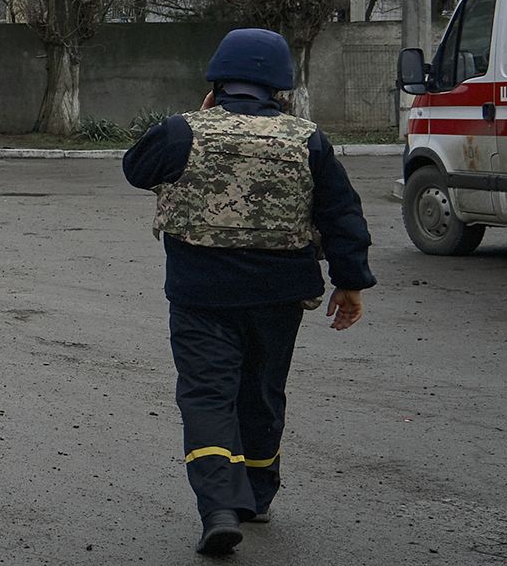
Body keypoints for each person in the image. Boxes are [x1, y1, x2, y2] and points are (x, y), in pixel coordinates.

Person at [121, 27, 374, 557]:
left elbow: (136, 169)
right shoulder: (307, 139)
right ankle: (256, 497)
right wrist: (350, 282)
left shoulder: (182, 131)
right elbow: (341, 214)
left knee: (207, 396)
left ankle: (219, 508)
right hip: (280, 298)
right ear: (280, 86)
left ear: (216, 79)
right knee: (261, 391)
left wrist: (197, 121)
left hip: (201, 297)